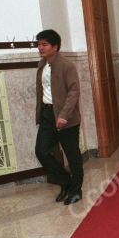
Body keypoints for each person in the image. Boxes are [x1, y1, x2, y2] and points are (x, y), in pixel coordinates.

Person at [34, 29, 84, 205]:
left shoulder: (66, 65)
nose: (40, 47)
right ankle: (66, 182)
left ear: (55, 47)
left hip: (66, 117)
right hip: (47, 114)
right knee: (41, 151)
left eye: (44, 44)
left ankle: (76, 190)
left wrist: (63, 115)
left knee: (72, 155)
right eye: (39, 44)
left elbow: (74, 91)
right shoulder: (42, 65)